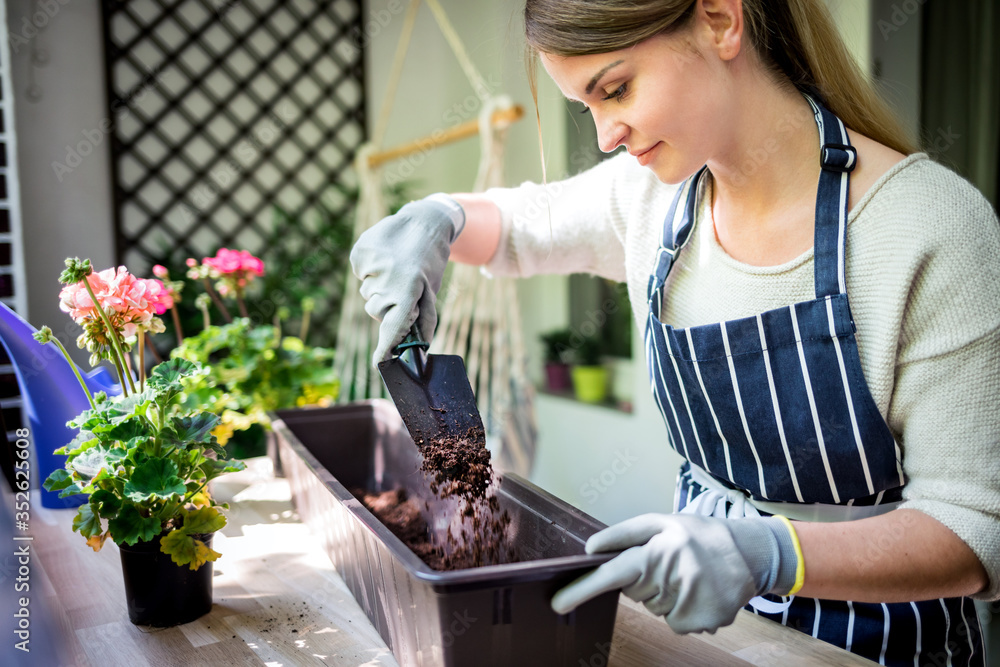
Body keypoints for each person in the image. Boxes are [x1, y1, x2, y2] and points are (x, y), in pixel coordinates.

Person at [349, 0, 1000, 664]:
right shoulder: (655, 200)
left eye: (617, 88)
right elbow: (523, 224)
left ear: (721, 20)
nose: (605, 134)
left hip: (879, 647)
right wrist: (437, 219)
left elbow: (977, 531)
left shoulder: (929, 227)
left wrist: (769, 552)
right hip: (704, 644)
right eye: (586, 106)